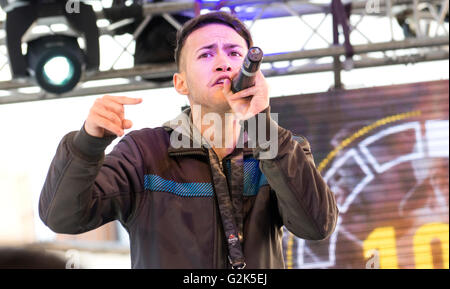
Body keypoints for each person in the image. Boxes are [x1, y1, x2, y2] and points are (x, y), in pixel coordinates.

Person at [39, 11, 338, 269]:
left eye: (234, 53)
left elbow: (316, 225)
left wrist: (262, 126)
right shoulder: (143, 153)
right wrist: (87, 144)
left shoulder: (281, 148)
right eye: (206, 54)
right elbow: (62, 216)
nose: (223, 63)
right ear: (180, 83)